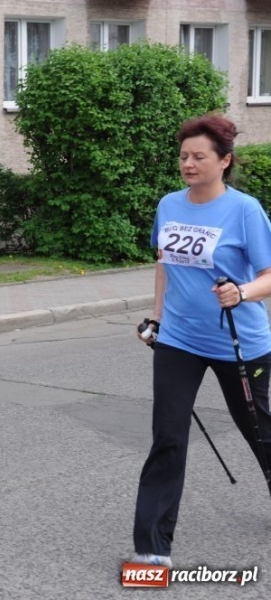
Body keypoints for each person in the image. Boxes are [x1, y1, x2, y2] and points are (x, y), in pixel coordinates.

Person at [131, 113, 271, 566]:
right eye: (183, 156)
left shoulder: (245, 210)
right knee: (168, 437)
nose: (188, 164)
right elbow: (164, 262)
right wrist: (155, 319)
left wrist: (242, 291)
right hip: (179, 341)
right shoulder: (170, 204)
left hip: (240, 342)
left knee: (261, 432)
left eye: (199, 156)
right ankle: (152, 547)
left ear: (224, 161)